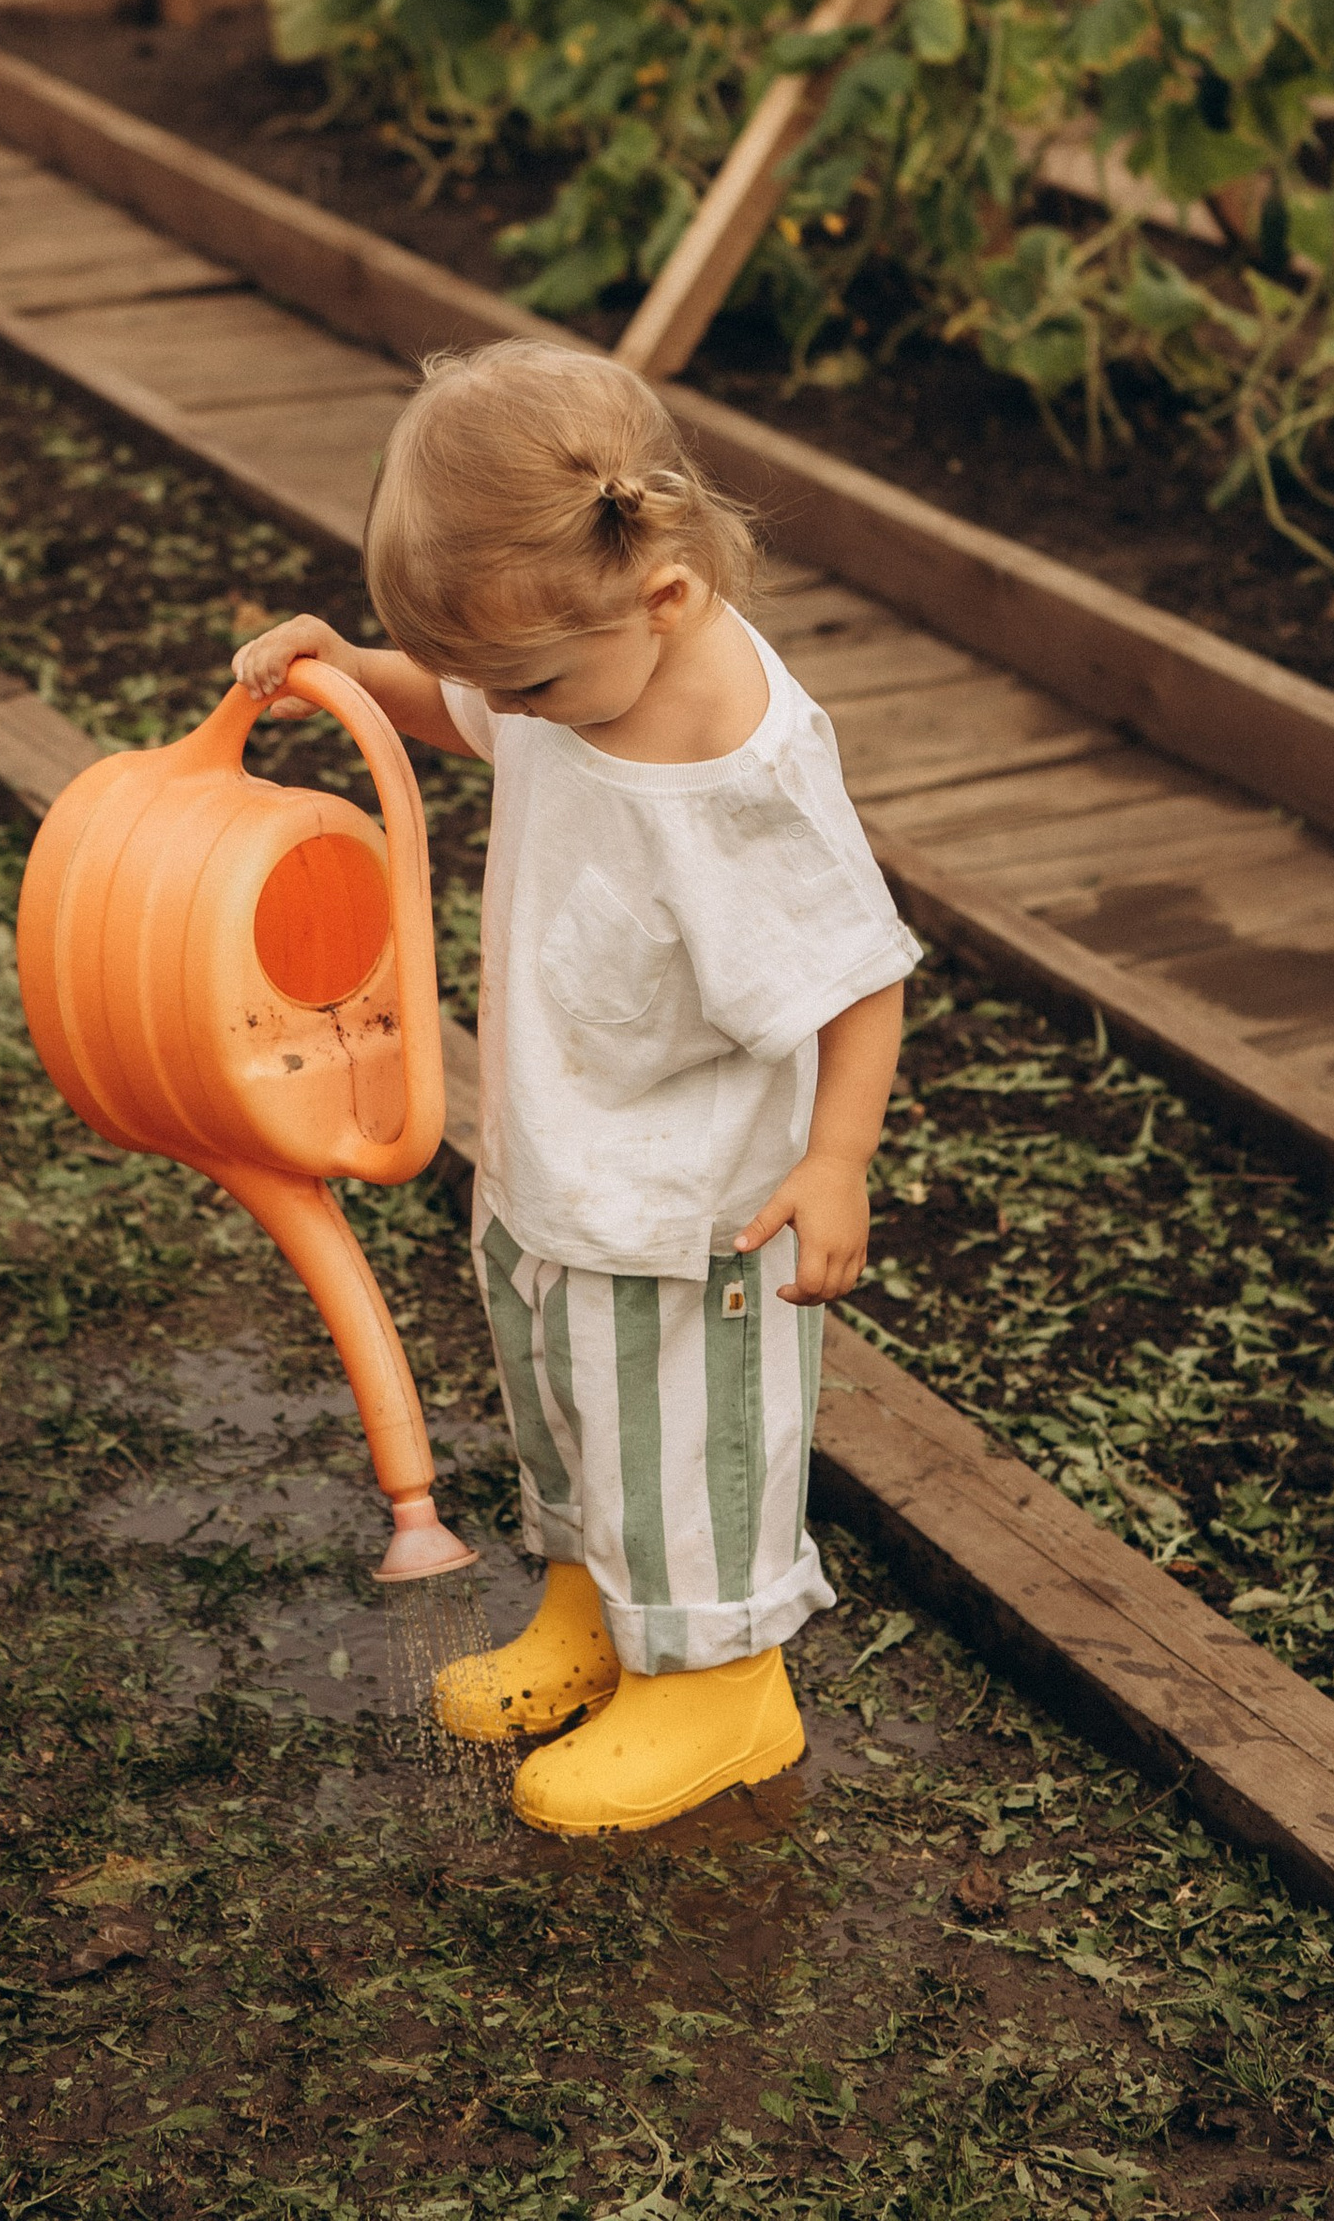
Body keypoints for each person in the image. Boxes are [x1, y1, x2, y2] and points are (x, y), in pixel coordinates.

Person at [231, 340, 915, 1835]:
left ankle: (726, 1683)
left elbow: (860, 970)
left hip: (694, 1209)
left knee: (684, 1439)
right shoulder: (563, 665)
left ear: (664, 596)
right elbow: (465, 698)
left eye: (519, 682)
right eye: (487, 679)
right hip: (556, 1145)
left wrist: (839, 1159)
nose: (504, 712)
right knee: (568, 1403)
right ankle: (593, 1610)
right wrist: (354, 668)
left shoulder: (741, 767)